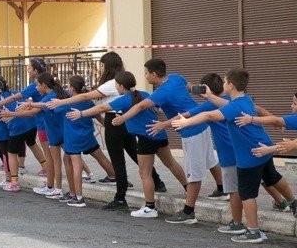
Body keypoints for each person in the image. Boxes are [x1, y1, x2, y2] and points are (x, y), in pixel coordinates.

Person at [172, 68, 297, 242]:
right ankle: (293, 202)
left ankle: (253, 231)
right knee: (272, 177)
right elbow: (224, 105)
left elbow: (209, 115)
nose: (223, 84)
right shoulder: (244, 100)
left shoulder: (235, 105)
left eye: (224, 81)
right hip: (264, 147)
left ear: (230, 85)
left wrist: (186, 122)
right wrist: (209, 96)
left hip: (250, 155)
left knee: (247, 194)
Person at [47, 52, 165, 211]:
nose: (101, 68)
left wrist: (63, 101)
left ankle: (120, 198)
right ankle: (157, 181)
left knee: (118, 161)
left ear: (108, 66)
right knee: (135, 154)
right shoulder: (123, 79)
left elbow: (86, 98)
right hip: (127, 120)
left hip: (114, 121)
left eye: (102, 65)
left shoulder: (113, 82)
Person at [112, 58, 221, 224]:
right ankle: (222, 189)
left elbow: (141, 106)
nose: (146, 76)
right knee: (209, 161)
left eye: (147, 73)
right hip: (202, 124)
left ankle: (188, 212)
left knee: (194, 173)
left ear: (154, 74)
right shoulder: (176, 77)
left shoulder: (161, 92)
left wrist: (123, 118)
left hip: (191, 131)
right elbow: (192, 88)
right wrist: (212, 95)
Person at [69, 71, 187, 216]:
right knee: (171, 163)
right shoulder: (143, 93)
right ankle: (189, 189)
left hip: (145, 138)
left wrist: (81, 114)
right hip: (159, 133)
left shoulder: (124, 99)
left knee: (145, 173)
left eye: (116, 85)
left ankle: (150, 208)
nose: (116, 87)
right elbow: (156, 108)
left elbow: (101, 108)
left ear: (121, 86)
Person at [3, 72, 74, 199]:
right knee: (67, 161)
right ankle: (64, 190)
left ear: (44, 85)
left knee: (57, 162)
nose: (36, 88)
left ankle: (56, 188)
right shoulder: (62, 92)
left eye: (38, 85)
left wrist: (14, 113)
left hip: (55, 134)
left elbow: (34, 111)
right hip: (64, 131)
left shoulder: (50, 96)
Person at [0, 58, 50, 179]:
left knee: (13, 153)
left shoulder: (34, 86)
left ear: (35, 71)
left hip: (42, 121)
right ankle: (47, 169)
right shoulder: (48, 81)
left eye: (29, 67)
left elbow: (14, 99)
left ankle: (14, 180)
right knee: (35, 145)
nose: (27, 69)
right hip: (36, 122)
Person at [55, 75, 115, 207]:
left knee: (75, 165)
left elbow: (52, 107)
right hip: (87, 136)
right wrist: (109, 127)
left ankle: (78, 196)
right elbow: (98, 116)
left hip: (73, 139)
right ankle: (114, 176)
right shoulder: (88, 102)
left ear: (71, 88)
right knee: (100, 156)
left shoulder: (67, 103)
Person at [233, 90, 297, 212]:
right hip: (259, 151)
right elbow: (278, 122)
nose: (291, 105)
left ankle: (252, 230)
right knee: (271, 176)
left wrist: (268, 149)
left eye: (294, 103)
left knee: (249, 192)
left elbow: (291, 144)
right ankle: (289, 202)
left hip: (254, 155)